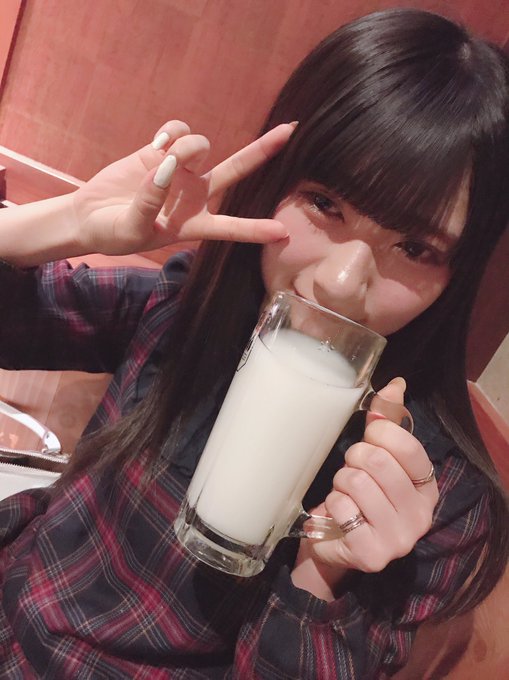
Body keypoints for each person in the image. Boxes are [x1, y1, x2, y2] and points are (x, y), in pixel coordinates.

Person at [0, 7, 508, 678]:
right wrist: (69, 220)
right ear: (275, 186)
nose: (340, 282)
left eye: (415, 248)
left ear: (456, 275)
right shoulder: (189, 305)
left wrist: (321, 576)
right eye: (325, 204)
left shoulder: (434, 488)